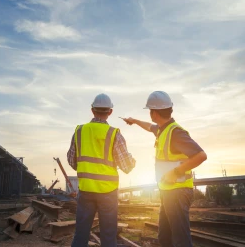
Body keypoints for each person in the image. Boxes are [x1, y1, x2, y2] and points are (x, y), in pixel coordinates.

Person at [122, 91, 207, 247]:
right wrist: (134, 121)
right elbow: (149, 127)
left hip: (178, 192)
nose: (149, 115)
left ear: (154, 113)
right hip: (168, 192)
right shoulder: (162, 129)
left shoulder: (175, 133)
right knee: (165, 238)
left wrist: (175, 172)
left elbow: (201, 156)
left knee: (180, 240)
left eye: (150, 111)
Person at [67, 93, 136, 247]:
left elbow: (72, 161)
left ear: (92, 110)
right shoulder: (113, 134)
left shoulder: (79, 131)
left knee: (80, 236)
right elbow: (127, 166)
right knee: (109, 238)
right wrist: (133, 160)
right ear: (110, 112)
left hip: (85, 191)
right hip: (108, 193)